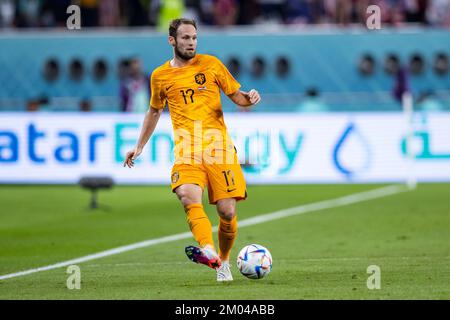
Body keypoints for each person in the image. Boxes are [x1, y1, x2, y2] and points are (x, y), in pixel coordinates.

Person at [123, 18, 261, 282]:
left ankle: (224, 260)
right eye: (186, 38)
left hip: (219, 149)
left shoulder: (211, 64)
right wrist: (139, 146)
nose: (191, 43)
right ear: (172, 40)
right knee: (187, 196)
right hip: (187, 149)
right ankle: (207, 249)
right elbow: (154, 110)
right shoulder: (160, 76)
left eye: (195, 38)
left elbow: (238, 97)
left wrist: (251, 98)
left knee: (227, 212)